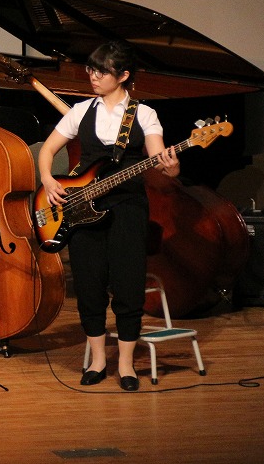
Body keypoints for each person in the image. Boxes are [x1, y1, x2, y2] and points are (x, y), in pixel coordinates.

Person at [37, 41, 179, 392]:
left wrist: (171, 166)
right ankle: (98, 361)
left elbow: (159, 159)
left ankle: (126, 364)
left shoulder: (144, 114)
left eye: (101, 71)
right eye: (91, 70)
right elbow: (48, 150)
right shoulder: (81, 111)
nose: (93, 77)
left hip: (128, 209)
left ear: (124, 75)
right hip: (81, 209)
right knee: (89, 285)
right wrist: (48, 180)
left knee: (129, 286)